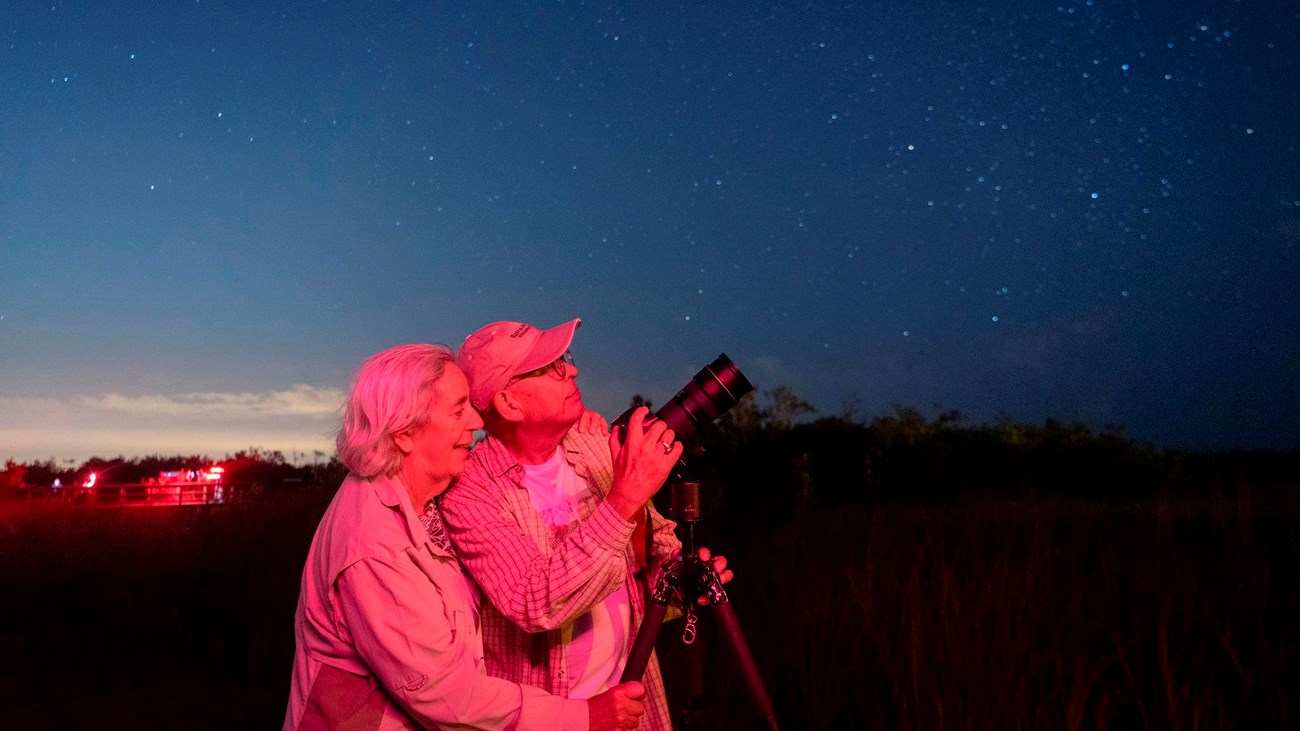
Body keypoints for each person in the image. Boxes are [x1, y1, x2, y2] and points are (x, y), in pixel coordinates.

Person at [284, 343, 649, 730]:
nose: (476, 420)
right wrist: (583, 716)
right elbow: (447, 696)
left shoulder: (418, 494)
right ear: (405, 433)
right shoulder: (374, 547)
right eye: (459, 410)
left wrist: (569, 422)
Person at [441, 319, 732, 731]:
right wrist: (623, 499)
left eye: (566, 359)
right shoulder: (471, 489)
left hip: (631, 701)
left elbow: (648, 549)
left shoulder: (593, 443)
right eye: (551, 367)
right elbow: (533, 601)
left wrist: (681, 578)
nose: (572, 370)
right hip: (552, 715)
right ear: (509, 404)